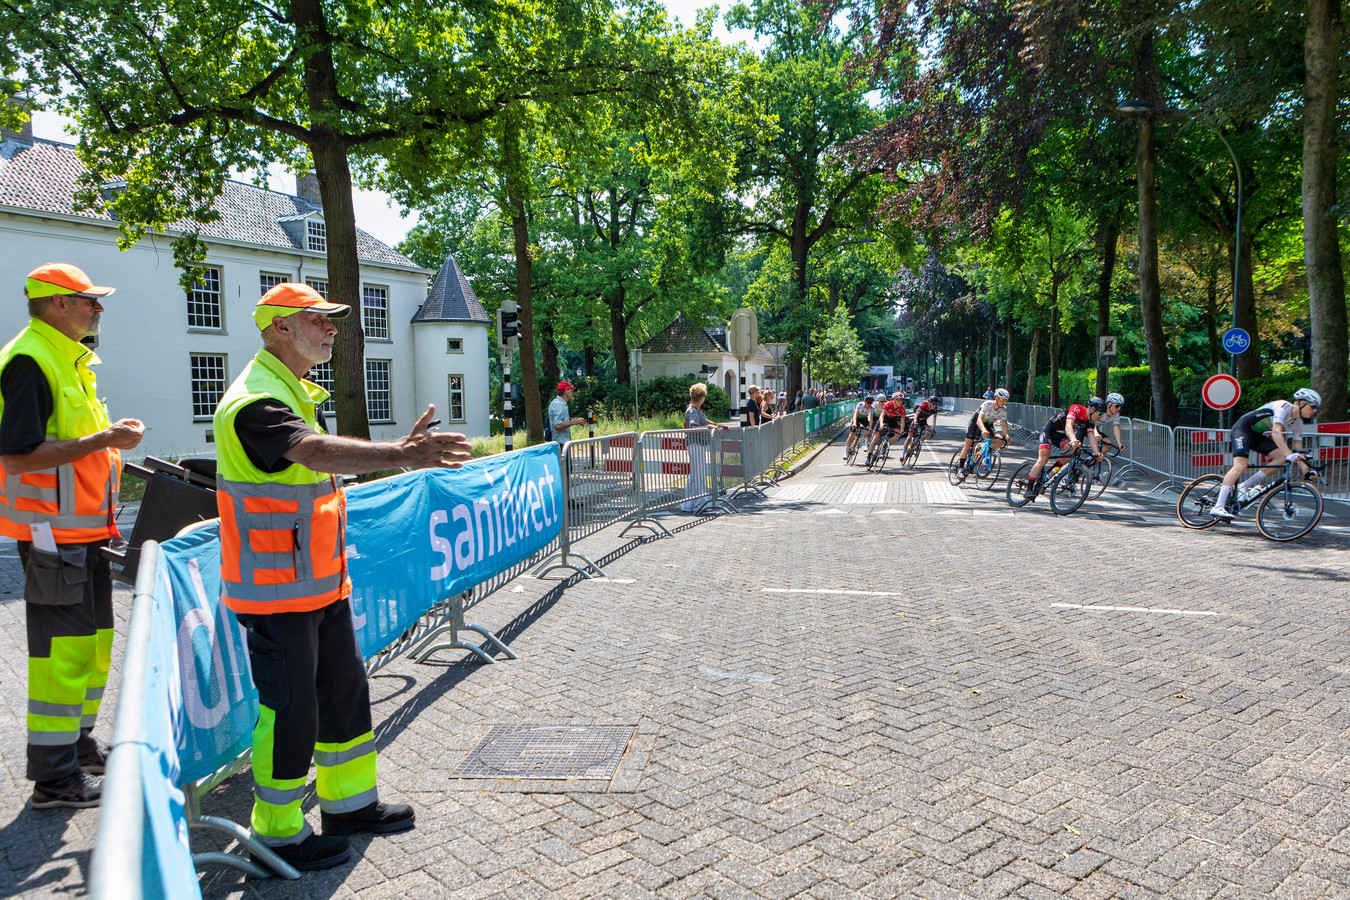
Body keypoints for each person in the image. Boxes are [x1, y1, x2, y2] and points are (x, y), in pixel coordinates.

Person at [214, 283, 472, 870]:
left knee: (345, 694)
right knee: (291, 710)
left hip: (316, 584)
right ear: (281, 327)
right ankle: (277, 833)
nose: (333, 329)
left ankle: (350, 807)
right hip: (277, 591)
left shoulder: (291, 391)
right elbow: (316, 454)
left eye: (334, 320)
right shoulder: (255, 400)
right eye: (319, 320)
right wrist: (401, 455)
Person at [0, 263, 144, 810]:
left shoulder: (64, 358)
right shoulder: (32, 361)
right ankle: (54, 778)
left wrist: (104, 441)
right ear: (59, 304)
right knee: (62, 652)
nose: (98, 309)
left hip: (79, 533)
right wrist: (104, 439)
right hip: (51, 537)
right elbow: (16, 456)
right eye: (89, 301)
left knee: (92, 641)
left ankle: (77, 746)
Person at [1211, 389, 1321, 519]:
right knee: (1240, 465)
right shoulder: (1284, 406)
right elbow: (1276, 432)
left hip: (1256, 435)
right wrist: (1289, 454)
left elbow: (1298, 450)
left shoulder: (1298, 424)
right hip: (1242, 429)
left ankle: (1244, 486)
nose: (1314, 410)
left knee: (1280, 458)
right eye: (1313, 406)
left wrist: (1307, 472)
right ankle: (1218, 506)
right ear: (1302, 403)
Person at [1023, 400, 1104, 499]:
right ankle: (1029, 489)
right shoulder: (1077, 409)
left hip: (1060, 435)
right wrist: (1073, 439)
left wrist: (1097, 453)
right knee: (1044, 457)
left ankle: (1050, 473)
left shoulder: (1090, 422)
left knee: (1073, 450)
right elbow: (1068, 425)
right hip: (1049, 431)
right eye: (1100, 413)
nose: (1101, 417)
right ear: (1091, 409)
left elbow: (1092, 438)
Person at [681, 382, 729, 512]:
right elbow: (694, 427)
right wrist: (709, 427)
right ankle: (700, 504)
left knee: (694, 475)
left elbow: (705, 421)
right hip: (696, 444)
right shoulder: (693, 411)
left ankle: (688, 504)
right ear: (701, 397)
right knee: (699, 475)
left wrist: (717, 425)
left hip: (695, 445)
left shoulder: (694, 410)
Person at [954, 388, 1013, 481]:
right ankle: (961, 469)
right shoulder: (987, 404)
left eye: (1006, 400)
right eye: (1002, 400)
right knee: (968, 444)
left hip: (988, 424)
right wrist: (983, 430)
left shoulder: (1003, 409)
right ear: (996, 398)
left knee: (1001, 441)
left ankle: (983, 452)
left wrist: (1007, 436)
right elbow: (979, 419)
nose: (1004, 402)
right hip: (976, 423)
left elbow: (1004, 425)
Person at [867, 391, 909, 461]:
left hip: (893, 419)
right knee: (875, 437)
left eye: (902, 400)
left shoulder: (902, 408)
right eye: (899, 400)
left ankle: (886, 445)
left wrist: (902, 430)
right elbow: (882, 416)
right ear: (894, 400)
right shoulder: (888, 404)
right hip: (885, 419)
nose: (900, 402)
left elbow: (902, 421)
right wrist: (881, 424)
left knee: (898, 435)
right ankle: (869, 457)